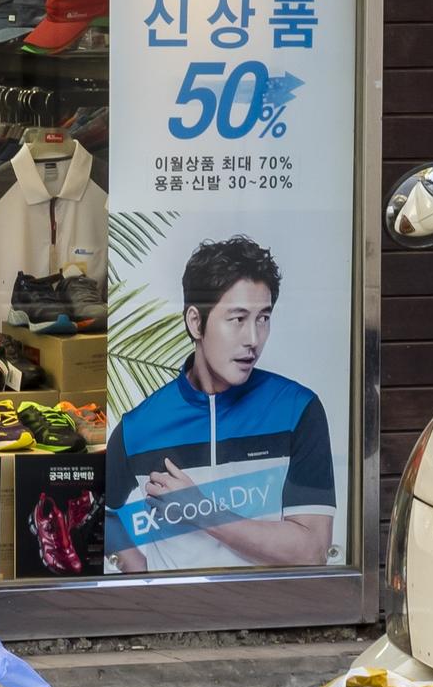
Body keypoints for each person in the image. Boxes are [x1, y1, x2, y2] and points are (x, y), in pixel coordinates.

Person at [105, 237, 336, 574]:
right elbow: (100, 511)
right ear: (195, 322)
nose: (253, 340)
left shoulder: (298, 411)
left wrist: (200, 511)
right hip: (172, 619)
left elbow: (312, 550)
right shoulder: (139, 427)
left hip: (273, 618)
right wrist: (137, 568)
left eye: (263, 318)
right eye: (237, 319)